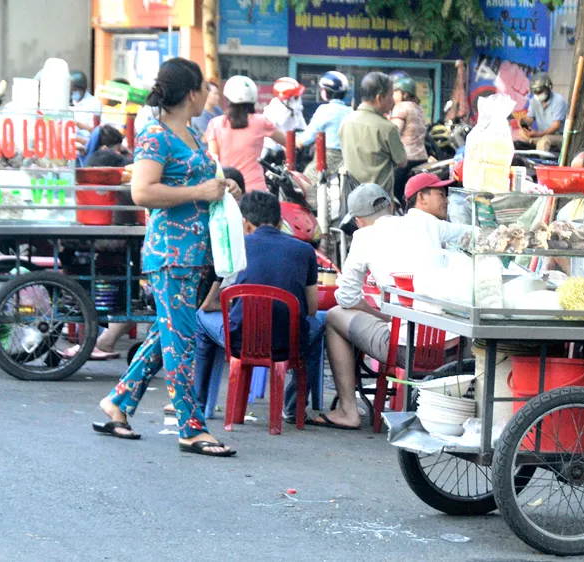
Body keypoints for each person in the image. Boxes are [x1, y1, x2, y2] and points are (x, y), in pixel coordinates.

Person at [94, 57, 242, 457]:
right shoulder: (156, 136)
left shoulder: (192, 134)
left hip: (195, 253)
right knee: (181, 341)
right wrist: (199, 192)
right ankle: (191, 427)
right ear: (192, 93)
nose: (211, 93)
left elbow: (195, 184)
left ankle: (118, 403)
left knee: (167, 336)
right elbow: (142, 192)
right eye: (206, 87)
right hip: (171, 253)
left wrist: (221, 186)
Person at [317, 177, 471, 429]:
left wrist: (377, 313)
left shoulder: (364, 237)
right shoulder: (427, 225)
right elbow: (471, 234)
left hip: (405, 351)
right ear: (390, 206)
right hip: (455, 346)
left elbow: (345, 298)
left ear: (358, 221)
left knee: (335, 316)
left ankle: (348, 411)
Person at [194, 190, 323, 421]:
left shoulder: (233, 247)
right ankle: (294, 407)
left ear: (245, 223)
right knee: (321, 324)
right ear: (281, 222)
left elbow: (208, 304)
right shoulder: (305, 251)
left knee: (201, 320)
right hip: (289, 343)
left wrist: (231, 304)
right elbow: (312, 309)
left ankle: (199, 402)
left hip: (240, 341)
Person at [206, 75, 285, 193]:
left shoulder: (215, 124)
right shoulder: (261, 121)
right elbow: (289, 142)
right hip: (256, 192)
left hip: (228, 191)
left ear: (227, 99)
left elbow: (213, 162)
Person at [339, 72, 407, 199]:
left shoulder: (346, 122)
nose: (393, 100)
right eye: (390, 95)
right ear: (379, 98)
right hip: (379, 202)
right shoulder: (387, 128)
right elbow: (402, 161)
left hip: (352, 198)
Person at [298, 71, 353, 189]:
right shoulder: (350, 111)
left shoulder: (324, 110)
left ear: (327, 92)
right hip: (349, 160)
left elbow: (307, 138)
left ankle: (313, 207)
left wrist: (295, 141)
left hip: (327, 159)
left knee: (302, 184)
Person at [390, 76, 429, 203]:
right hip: (422, 157)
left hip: (406, 159)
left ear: (405, 94)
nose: (392, 95)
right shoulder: (418, 108)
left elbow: (394, 132)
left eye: (395, 92)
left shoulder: (401, 107)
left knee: (393, 194)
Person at [519, 73, 568, 154]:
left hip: (558, 136)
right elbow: (530, 119)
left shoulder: (558, 100)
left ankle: (542, 162)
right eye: (535, 92)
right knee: (521, 133)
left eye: (540, 91)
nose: (538, 95)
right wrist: (523, 122)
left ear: (548, 88)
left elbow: (556, 126)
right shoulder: (534, 101)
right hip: (542, 134)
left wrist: (538, 134)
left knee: (544, 141)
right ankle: (536, 144)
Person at [262, 77, 306, 156]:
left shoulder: (296, 110)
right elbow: (270, 139)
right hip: (274, 152)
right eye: (295, 97)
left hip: (293, 149)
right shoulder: (273, 111)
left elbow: (303, 130)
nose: (298, 99)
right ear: (285, 99)